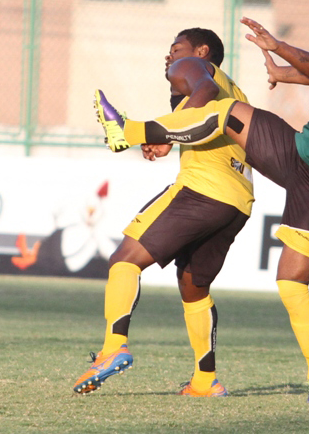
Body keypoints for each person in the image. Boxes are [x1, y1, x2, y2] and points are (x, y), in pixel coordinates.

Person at [94, 0, 309, 404]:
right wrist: (283, 74)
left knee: (291, 283)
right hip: (298, 154)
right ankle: (128, 130)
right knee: (228, 113)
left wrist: (280, 46)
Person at [75, 28, 254, 398]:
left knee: (124, 259)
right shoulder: (235, 90)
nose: (169, 57)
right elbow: (207, 118)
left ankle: (113, 349)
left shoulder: (194, 69)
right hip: (238, 200)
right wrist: (168, 137)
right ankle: (205, 381)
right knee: (194, 286)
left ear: (201, 52)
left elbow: (201, 94)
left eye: (176, 49)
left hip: (202, 189)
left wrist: (152, 132)